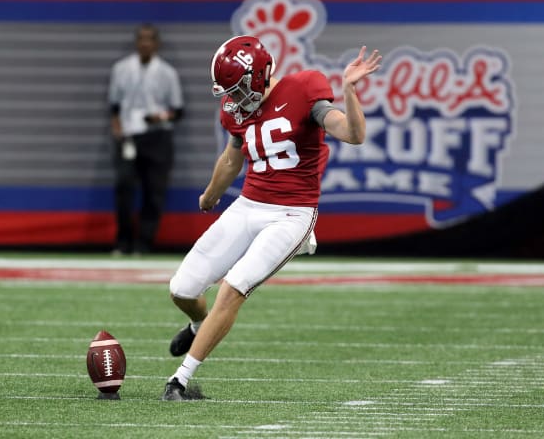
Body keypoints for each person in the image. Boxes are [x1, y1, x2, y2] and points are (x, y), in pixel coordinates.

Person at [161, 35, 381, 400]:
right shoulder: (235, 109)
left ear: (260, 76)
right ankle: (199, 325)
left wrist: (348, 91)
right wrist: (211, 194)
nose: (233, 98)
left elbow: (352, 134)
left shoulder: (303, 89)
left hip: (291, 214)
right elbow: (234, 156)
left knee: (234, 287)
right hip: (249, 204)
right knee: (181, 288)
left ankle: (180, 380)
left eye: (238, 88)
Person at [108, 23, 184, 254]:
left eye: (150, 39)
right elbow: (114, 105)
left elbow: (178, 110)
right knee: (124, 187)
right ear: (136, 42)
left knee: (154, 191)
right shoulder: (121, 69)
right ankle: (123, 243)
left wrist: (160, 116)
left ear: (157, 43)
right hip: (129, 135)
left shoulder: (167, 72)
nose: (145, 43)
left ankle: (144, 244)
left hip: (157, 136)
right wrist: (117, 129)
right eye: (141, 39)